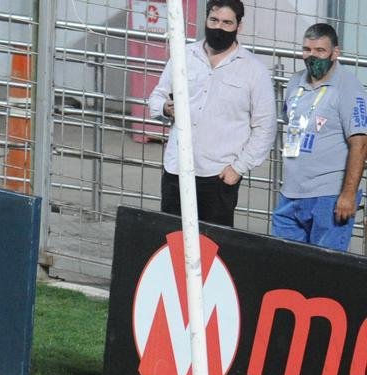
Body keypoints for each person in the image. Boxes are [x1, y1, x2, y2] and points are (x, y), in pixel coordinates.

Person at [146, 0, 275, 227]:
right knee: (171, 244)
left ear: (239, 26)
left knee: (214, 250)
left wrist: (238, 168)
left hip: (218, 177)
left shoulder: (254, 70)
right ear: (205, 19)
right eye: (214, 20)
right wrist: (166, 108)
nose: (219, 27)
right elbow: (157, 97)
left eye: (227, 23)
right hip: (177, 170)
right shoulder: (184, 55)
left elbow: (265, 128)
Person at [271, 23, 367, 252]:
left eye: (320, 50)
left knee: (324, 273)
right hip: (290, 193)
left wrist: (348, 194)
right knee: (286, 264)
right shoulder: (296, 81)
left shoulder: (349, 87)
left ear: (335, 52)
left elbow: (360, 144)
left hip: (329, 197)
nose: (312, 56)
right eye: (307, 49)